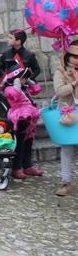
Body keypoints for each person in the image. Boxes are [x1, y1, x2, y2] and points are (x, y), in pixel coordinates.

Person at [3, 65, 43, 179]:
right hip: (20, 117)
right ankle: (16, 167)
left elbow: (37, 90)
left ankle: (27, 165)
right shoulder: (9, 88)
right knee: (19, 143)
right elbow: (14, 95)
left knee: (28, 141)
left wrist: (30, 82)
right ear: (15, 79)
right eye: (23, 77)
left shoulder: (24, 86)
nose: (25, 80)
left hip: (30, 117)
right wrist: (17, 85)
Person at [53, 41, 78, 196]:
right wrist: (74, 82)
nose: (76, 59)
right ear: (68, 57)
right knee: (66, 148)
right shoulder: (60, 72)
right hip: (67, 113)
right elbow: (60, 91)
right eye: (74, 56)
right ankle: (66, 181)